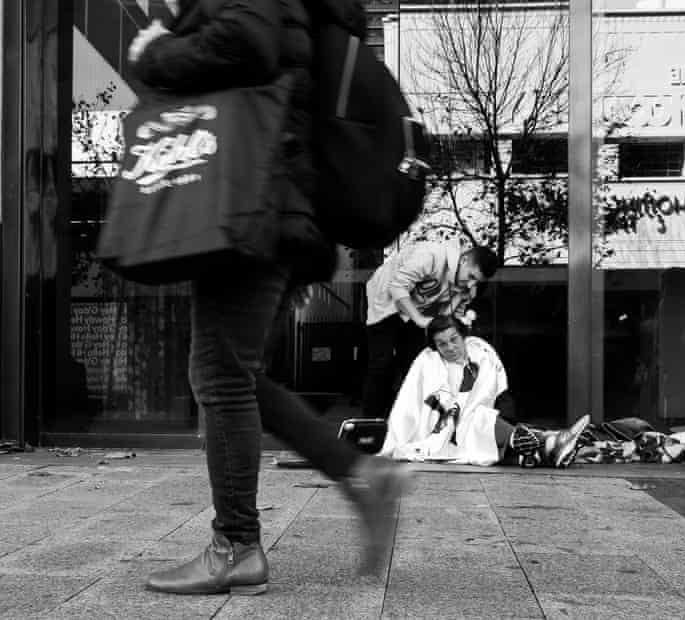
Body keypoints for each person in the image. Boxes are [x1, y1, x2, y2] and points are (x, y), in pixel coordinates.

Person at [128, 0, 411, 596]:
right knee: (235, 373)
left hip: (252, 199)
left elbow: (243, 43)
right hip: (279, 202)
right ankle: (360, 474)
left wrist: (156, 50)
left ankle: (236, 545)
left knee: (220, 374)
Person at [379, 315, 590, 467]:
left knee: (480, 417)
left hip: (477, 419)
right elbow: (409, 404)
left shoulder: (479, 354)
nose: (451, 347)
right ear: (435, 347)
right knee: (478, 421)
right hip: (441, 429)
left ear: (463, 336)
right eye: (442, 344)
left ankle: (546, 446)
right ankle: (551, 442)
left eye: (454, 340)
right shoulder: (428, 364)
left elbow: (486, 393)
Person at [361, 241, 499, 420]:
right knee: (382, 362)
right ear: (464, 260)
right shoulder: (430, 255)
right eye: (471, 276)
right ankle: (370, 421)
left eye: (476, 281)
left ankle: (405, 420)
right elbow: (397, 286)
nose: (471, 283)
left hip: (417, 309)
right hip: (385, 301)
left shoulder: (468, 289)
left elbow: (445, 320)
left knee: (414, 365)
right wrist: (419, 319)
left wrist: (457, 299)